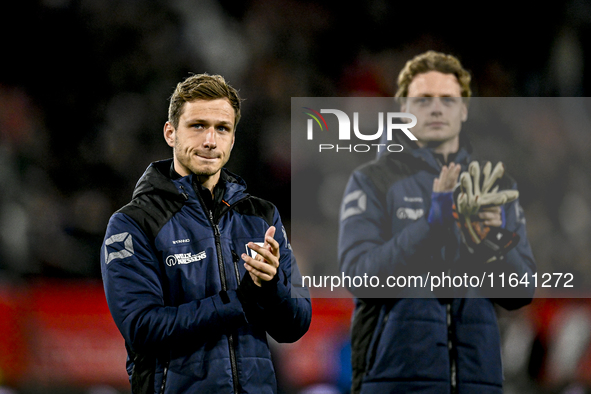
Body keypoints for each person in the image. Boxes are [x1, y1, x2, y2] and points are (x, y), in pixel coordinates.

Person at [338, 51, 536, 393]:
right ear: (404, 110)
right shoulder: (373, 181)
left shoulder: (493, 186)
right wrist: (434, 222)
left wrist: (488, 238)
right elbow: (360, 276)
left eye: (448, 99)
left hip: (477, 382)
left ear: (463, 110)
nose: (436, 108)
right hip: (395, 383)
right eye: (423, 99)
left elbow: (520, 290)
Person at [101, 73, 311, 394]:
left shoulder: (261, 216)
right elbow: (142, 327)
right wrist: (239, 301)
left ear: (232, 139)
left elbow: (295, 325)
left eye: (222, 128)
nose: (210, 140)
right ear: (171, 133)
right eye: (198, 125)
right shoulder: (133, 223)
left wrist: (270, 287)